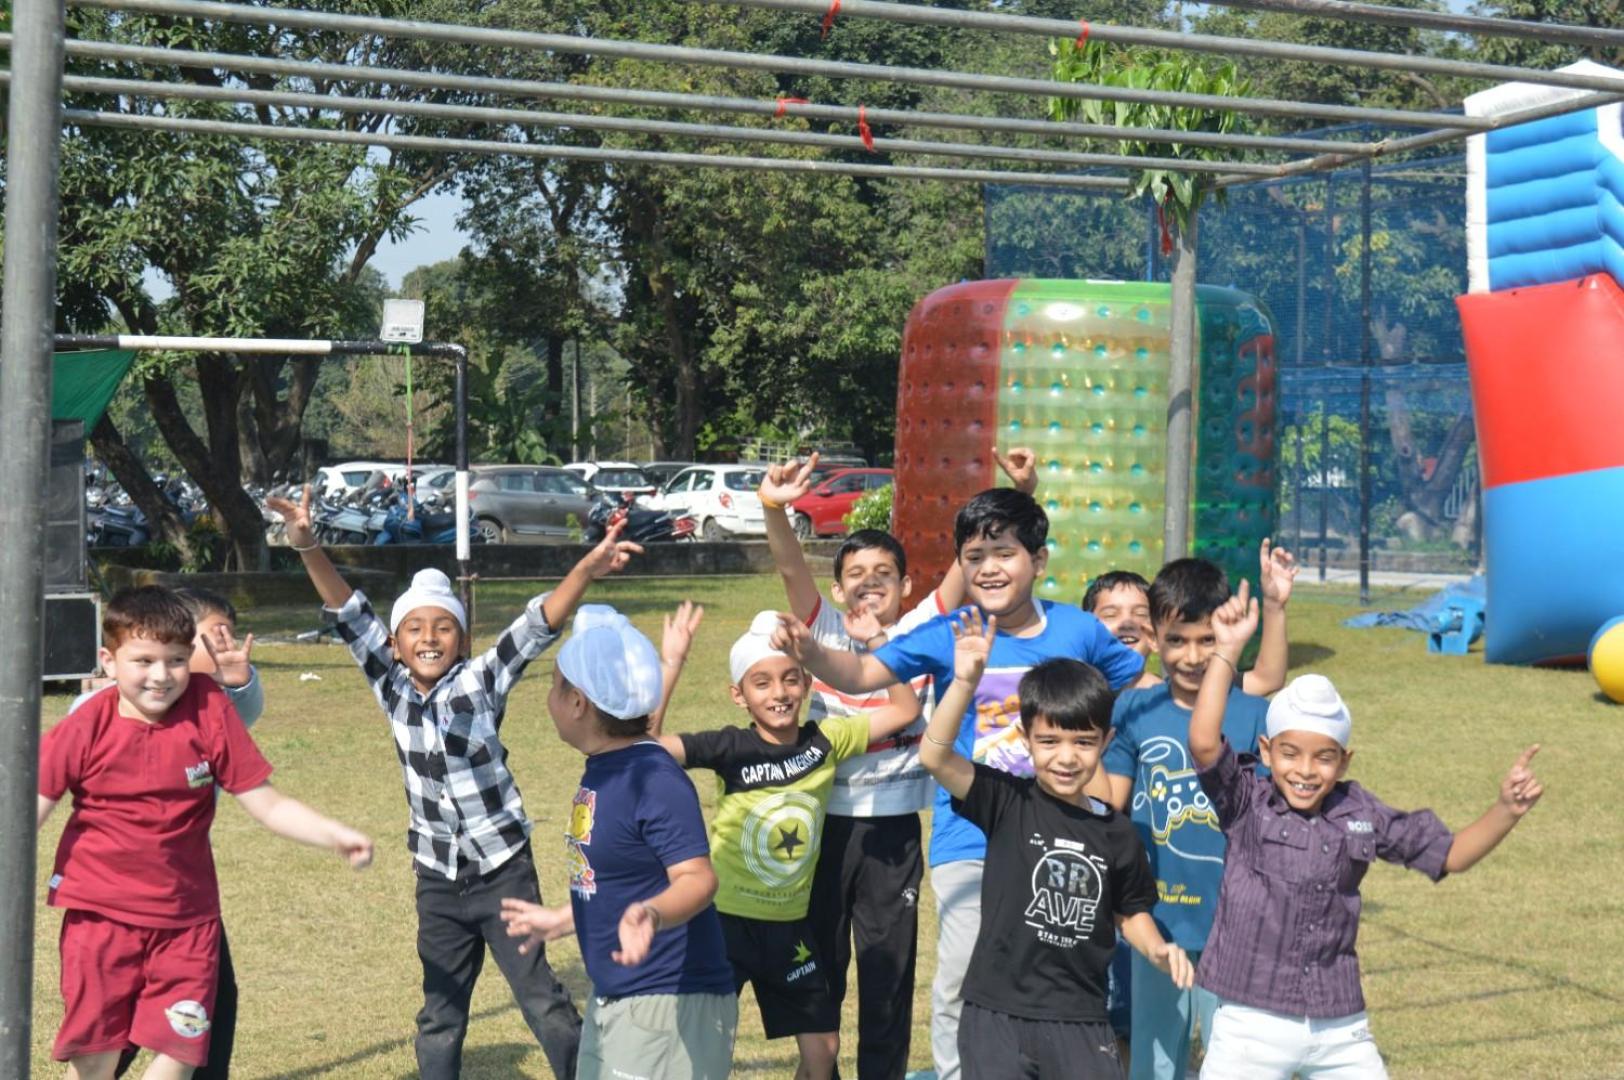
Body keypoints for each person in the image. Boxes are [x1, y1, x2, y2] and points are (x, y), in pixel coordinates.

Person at [268, 484, 641, 1080]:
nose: (429, 638)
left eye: (444, 628)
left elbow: (536, 625)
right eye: (414, 629)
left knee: (541, 1000)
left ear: (463, 641)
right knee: (440, 1014)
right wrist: (308, 544)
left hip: (503, 870)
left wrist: (585, 570)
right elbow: (349, 611)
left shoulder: (479, 683)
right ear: (395, 645)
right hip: (437, 880)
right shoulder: (390, 686)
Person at [774, 488, 1146, 1080]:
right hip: (971, 840)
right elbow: (863, 671)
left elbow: (1133, 682)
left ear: (1039, 560)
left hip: (1065, 836)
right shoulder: (950, 630)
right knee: (960, 980)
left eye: (1004, 553)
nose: (988, 568)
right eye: (974, 557)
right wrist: (813, 653)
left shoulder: (1078, 629)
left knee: (1061, 972)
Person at [756, 447, 1037, 1079]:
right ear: (837, 589)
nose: (869, 581)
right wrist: (773, 507)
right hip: (822, 827)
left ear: (907, 585)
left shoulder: (924, 626)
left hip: (893, 834)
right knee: (820, 971)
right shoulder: (824, 628)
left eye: (884, 571)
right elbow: (789, 564)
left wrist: (1019, 494)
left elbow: (978, 559)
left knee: (888, 978)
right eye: (855, 572)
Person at [1188, 582, 1545, 1079]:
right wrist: (1226, 652)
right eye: (1290, 754)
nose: (1305, 770)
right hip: (1250, 1023)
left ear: (1344, 760)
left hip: (1340, 1027)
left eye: (1323, 757)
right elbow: (1205, 744)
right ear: (1267, 751)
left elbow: (1450, 855)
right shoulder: (1248, 801)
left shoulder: (1360, 811)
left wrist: (1506, 809)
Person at [38, 586, 373, 1080]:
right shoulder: (86, 724)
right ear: (108, 661)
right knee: (97, 1058)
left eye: (176, 660)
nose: (161, 675)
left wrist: (333, 834)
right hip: (101, 920)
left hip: (189, 924)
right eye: (144, 660)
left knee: (182, 1048)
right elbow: (27, 812)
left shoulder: (209, 707)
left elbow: (265, 801)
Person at [916, 608, 1193, 1079]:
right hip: (996, 1017)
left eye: (1083, 742)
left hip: (1081, 1019)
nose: (1066, 758)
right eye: (1049, 741)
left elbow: (1130, 912)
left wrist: (1156, 948)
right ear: (1025, 739)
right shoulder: (1006, 801)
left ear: (1105, 741)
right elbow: (935, 757)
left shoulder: (1118, 832)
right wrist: (963, 683)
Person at [651, 610, 920, 1080]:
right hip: (724, 924)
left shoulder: (827, 740)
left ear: (807, 684)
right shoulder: (729, 747)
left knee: (823, 1050)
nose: (779, 693)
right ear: (739, 695)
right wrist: (671, 663)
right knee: (700, 1045)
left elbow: (905, 710)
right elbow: (646, 745)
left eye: (790, 679)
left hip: (790, 929)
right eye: (762, 683)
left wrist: (878, 641)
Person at [501, 603, 738, 1080]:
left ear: (578, 703)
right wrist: (566, 918)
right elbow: (624, 878)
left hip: (667, 1002)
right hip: (619, 995)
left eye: (554, 684)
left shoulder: (653, 778)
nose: (548, 697)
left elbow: (698, 877)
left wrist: (651, 914)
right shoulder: (610, 766)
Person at [1096, 558, 1279, 1080]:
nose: (1193, 656)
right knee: (1155, 1058)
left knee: (1234, 1058)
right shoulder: (1134, 710)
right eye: (1177, 640)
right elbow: (1109, 802)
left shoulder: (1254, 714)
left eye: (1206, 641)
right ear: (1154, 637)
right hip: (1157, 918)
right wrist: (1080, 754)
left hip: (1235, 919)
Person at [71, 586, 264, 1080]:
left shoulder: (210, 708)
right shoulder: (104, 708)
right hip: (113, 901)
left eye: (230, 635)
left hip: (181, 899)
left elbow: (245, 710)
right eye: (213, 637)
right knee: (117, 1026)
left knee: (205, 1007)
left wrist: (239, 681)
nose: (224, 646)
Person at [1083, 539, 1299, 696]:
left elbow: (1267, 679)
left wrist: (1274, 606)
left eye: (1140, 613)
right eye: (1110, 614)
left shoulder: (1185, 690)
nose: (1127, 622)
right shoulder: (1074, 691)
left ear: (1153, 633)